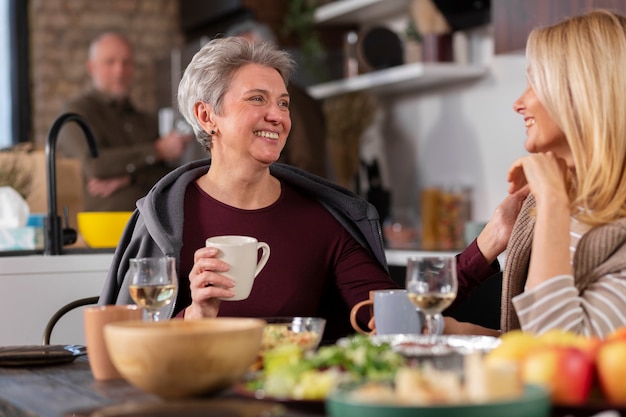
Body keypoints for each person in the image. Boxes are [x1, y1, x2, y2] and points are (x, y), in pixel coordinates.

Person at [98, 37, 521, 340]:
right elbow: (123, 348)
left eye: (283, 103)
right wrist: (195, 317)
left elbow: (396, 317)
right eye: (257, 100)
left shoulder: (322, 219)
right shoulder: (165, 219)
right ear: (207, 115)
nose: (277, 116)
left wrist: (488, 242)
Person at [448, 9, 626, 338]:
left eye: (535, 83)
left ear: (584, 94)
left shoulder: (559, 206)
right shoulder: (542, 207)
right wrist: (462, 333)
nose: (519, 102)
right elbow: (535, 345)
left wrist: (554, 200)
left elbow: (563, 357)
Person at [58, 31, 192, 212]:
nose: (119, 70)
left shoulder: (144, 119)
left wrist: (130, 177)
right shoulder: (76, 112)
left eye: (126, 62)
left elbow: (168, 177)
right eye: (110, 62)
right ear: (92, 67)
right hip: (100, 229)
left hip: (150, 225)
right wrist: (157, 150)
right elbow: (93, 166)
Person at [225, 20, 328, 178]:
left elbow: (308, 168)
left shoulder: (297, 102)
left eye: (251, 55)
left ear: (273, 54)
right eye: (238, 58)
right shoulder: (238, 101)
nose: (245, 65)